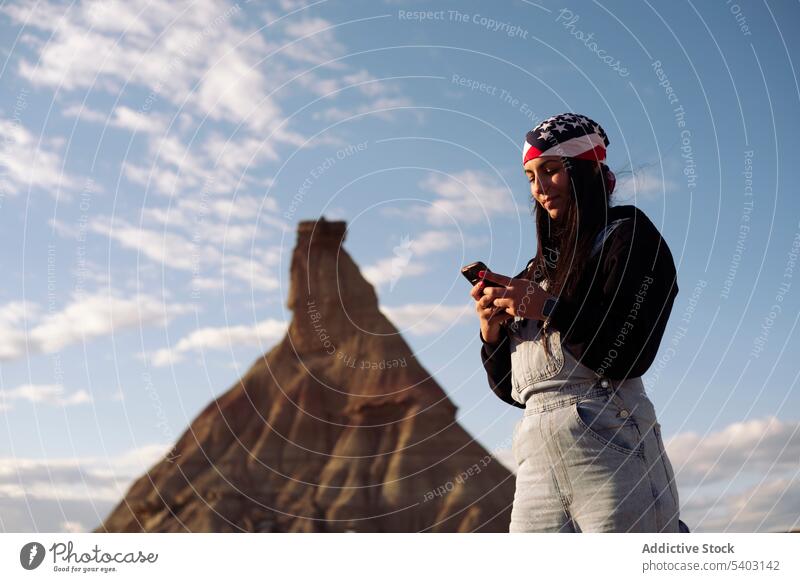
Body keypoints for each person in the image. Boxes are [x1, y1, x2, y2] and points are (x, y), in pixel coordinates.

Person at [470, 112, 688, 533]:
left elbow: (628, 354)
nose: (540, 187)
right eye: (531, 176)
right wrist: (491, 333)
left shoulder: (630, 236)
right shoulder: (536, 272)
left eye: (551, 171)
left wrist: (548, 309)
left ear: (584, 171)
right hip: (535, 461)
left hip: (611, 445)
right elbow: (517, 392)